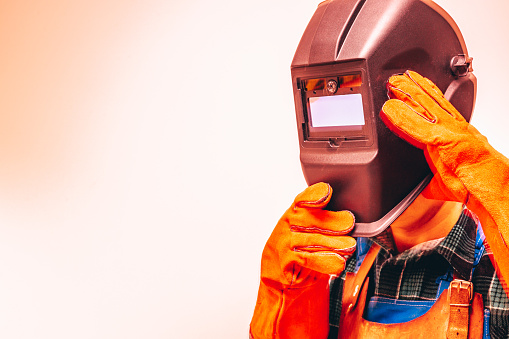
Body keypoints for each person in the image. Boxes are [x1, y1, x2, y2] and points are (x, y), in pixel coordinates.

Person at [249, 0, 509, 336]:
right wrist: (281, 307)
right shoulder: (326, 261)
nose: (341, 145)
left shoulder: (495, 258)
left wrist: (502, 198)